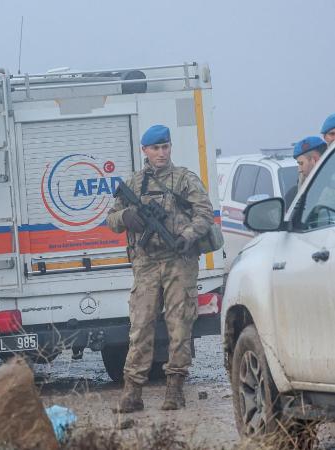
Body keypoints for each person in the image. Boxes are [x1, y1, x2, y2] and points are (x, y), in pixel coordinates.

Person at [106, 125, 214, 412]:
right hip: (147, 264)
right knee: (140, 327)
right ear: (145, 150)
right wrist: (127, 215)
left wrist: (188, 236)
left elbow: (205, 214)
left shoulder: (184, 179)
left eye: (165, 146)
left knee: (179, 327)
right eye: (156, 148)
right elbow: (111, 218)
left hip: (180, 261)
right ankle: (132, 393)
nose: (162, 153)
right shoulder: (135, 183)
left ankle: (175, 390)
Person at [284, 136, 327, 205]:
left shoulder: (329, 187)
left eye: (301, 163)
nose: (299, 170)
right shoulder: (295, 192)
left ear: (315, 160)